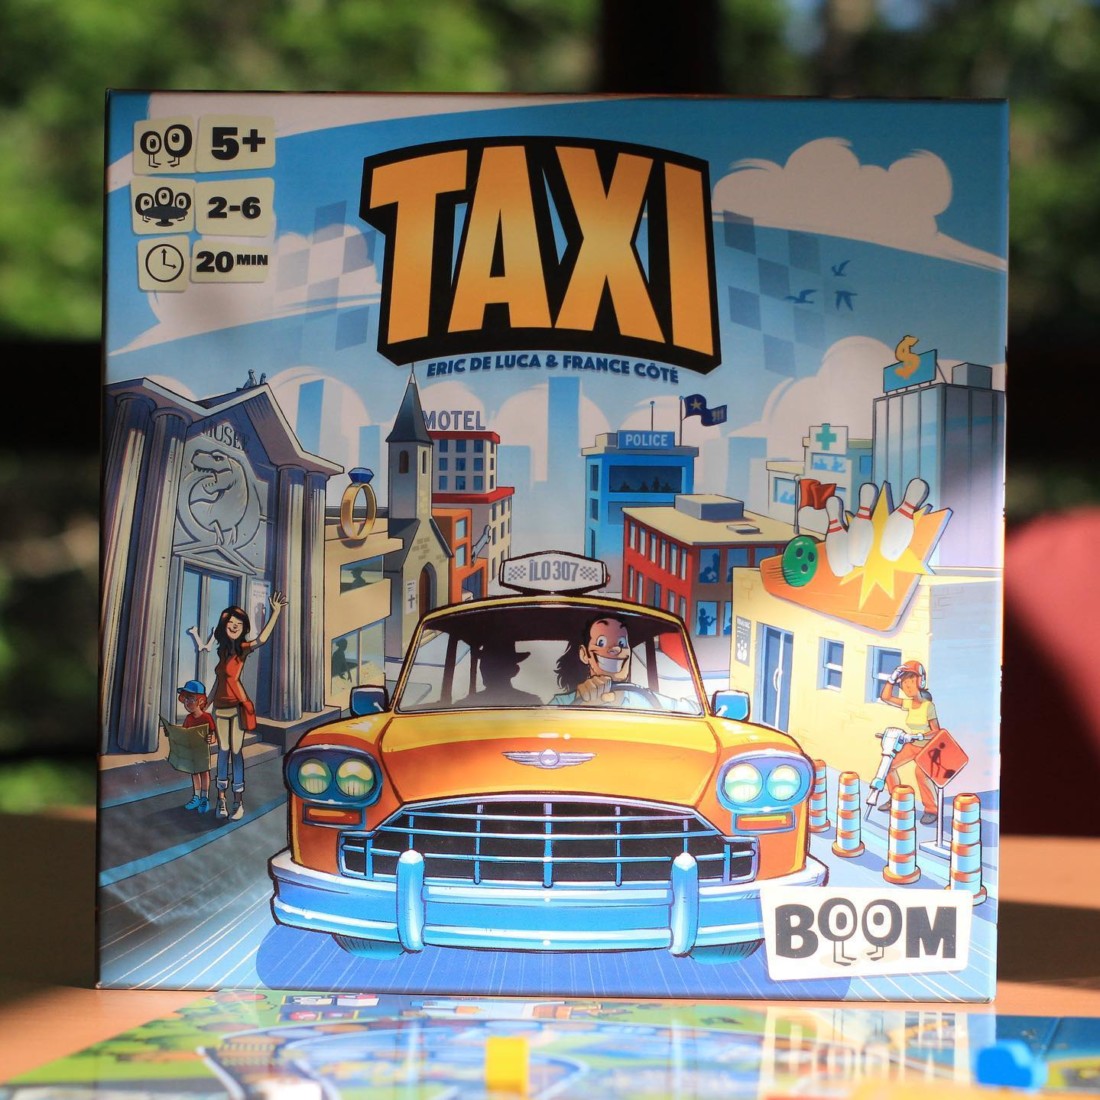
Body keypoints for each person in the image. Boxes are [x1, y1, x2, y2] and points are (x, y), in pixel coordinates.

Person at [189, 592, 287, 821]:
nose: (234, 626)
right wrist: (207, 703)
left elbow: (261, 640)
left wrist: (275, 613)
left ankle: (238, 801)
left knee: (236, 752)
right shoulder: (222, 651)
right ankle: (221, 800)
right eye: (230, 623)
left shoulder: (242, 648)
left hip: (237, 708)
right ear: (224, 626)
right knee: (223, 752)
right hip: (220, 709)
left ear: (243, 628)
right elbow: (218, 681)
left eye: (238, 624)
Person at [549, 615, 684, 711]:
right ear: (584, 654)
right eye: (601, 642)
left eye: (622, 643)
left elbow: (688, 710)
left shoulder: (646, 700)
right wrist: (578, 707)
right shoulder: (561, 703)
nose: (616, 649)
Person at [878, 659, 941, 825]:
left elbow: (936, 731)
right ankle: (895, 798)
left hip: (927, 747)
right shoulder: (908, 704)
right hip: (912, 745)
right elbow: (885, 697)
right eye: (904, 681)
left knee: (920, 774)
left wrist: (919, 736)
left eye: (911, 680)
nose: (907, 685)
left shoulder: (928, 706)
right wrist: (892, 678)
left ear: (921, 681)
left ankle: (931, 810)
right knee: (888, 765)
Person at [172, 679, 216, 812]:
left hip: (202, 752)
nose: (187, 702)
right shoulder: (188, 719)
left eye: (191, 698)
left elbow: (213, 733)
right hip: (192, 752)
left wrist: (212, 738)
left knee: (204, 773)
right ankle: (196, 796)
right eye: (185, 698)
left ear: (201, 701)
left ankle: (204, 798)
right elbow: (184, 733)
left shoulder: (207, 717)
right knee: (195, 773)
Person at [461, 641, 542, 708]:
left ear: (513, 670)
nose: (485, 669)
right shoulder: (532, 702)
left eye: (495, 665)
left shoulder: (466, 704)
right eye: (485, 664)